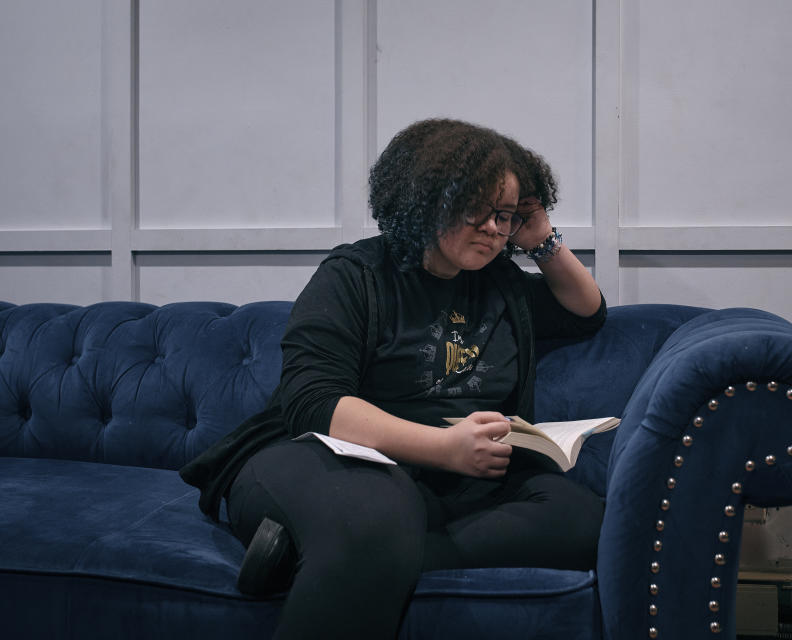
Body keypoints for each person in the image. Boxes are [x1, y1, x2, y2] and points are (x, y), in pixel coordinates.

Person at [180, 118, 607, 639]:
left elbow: (586, 311)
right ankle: (357, 544)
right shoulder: (356, 274)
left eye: (505, 217)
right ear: (428, 200)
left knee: (584, 521)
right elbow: (313, 400)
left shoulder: (500, 282)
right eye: (480, 210)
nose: (495, 230)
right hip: (330, 456)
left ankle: (312, 553)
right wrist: (444, 447)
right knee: (380, 515)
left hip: (453, 480)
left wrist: (540, 235)